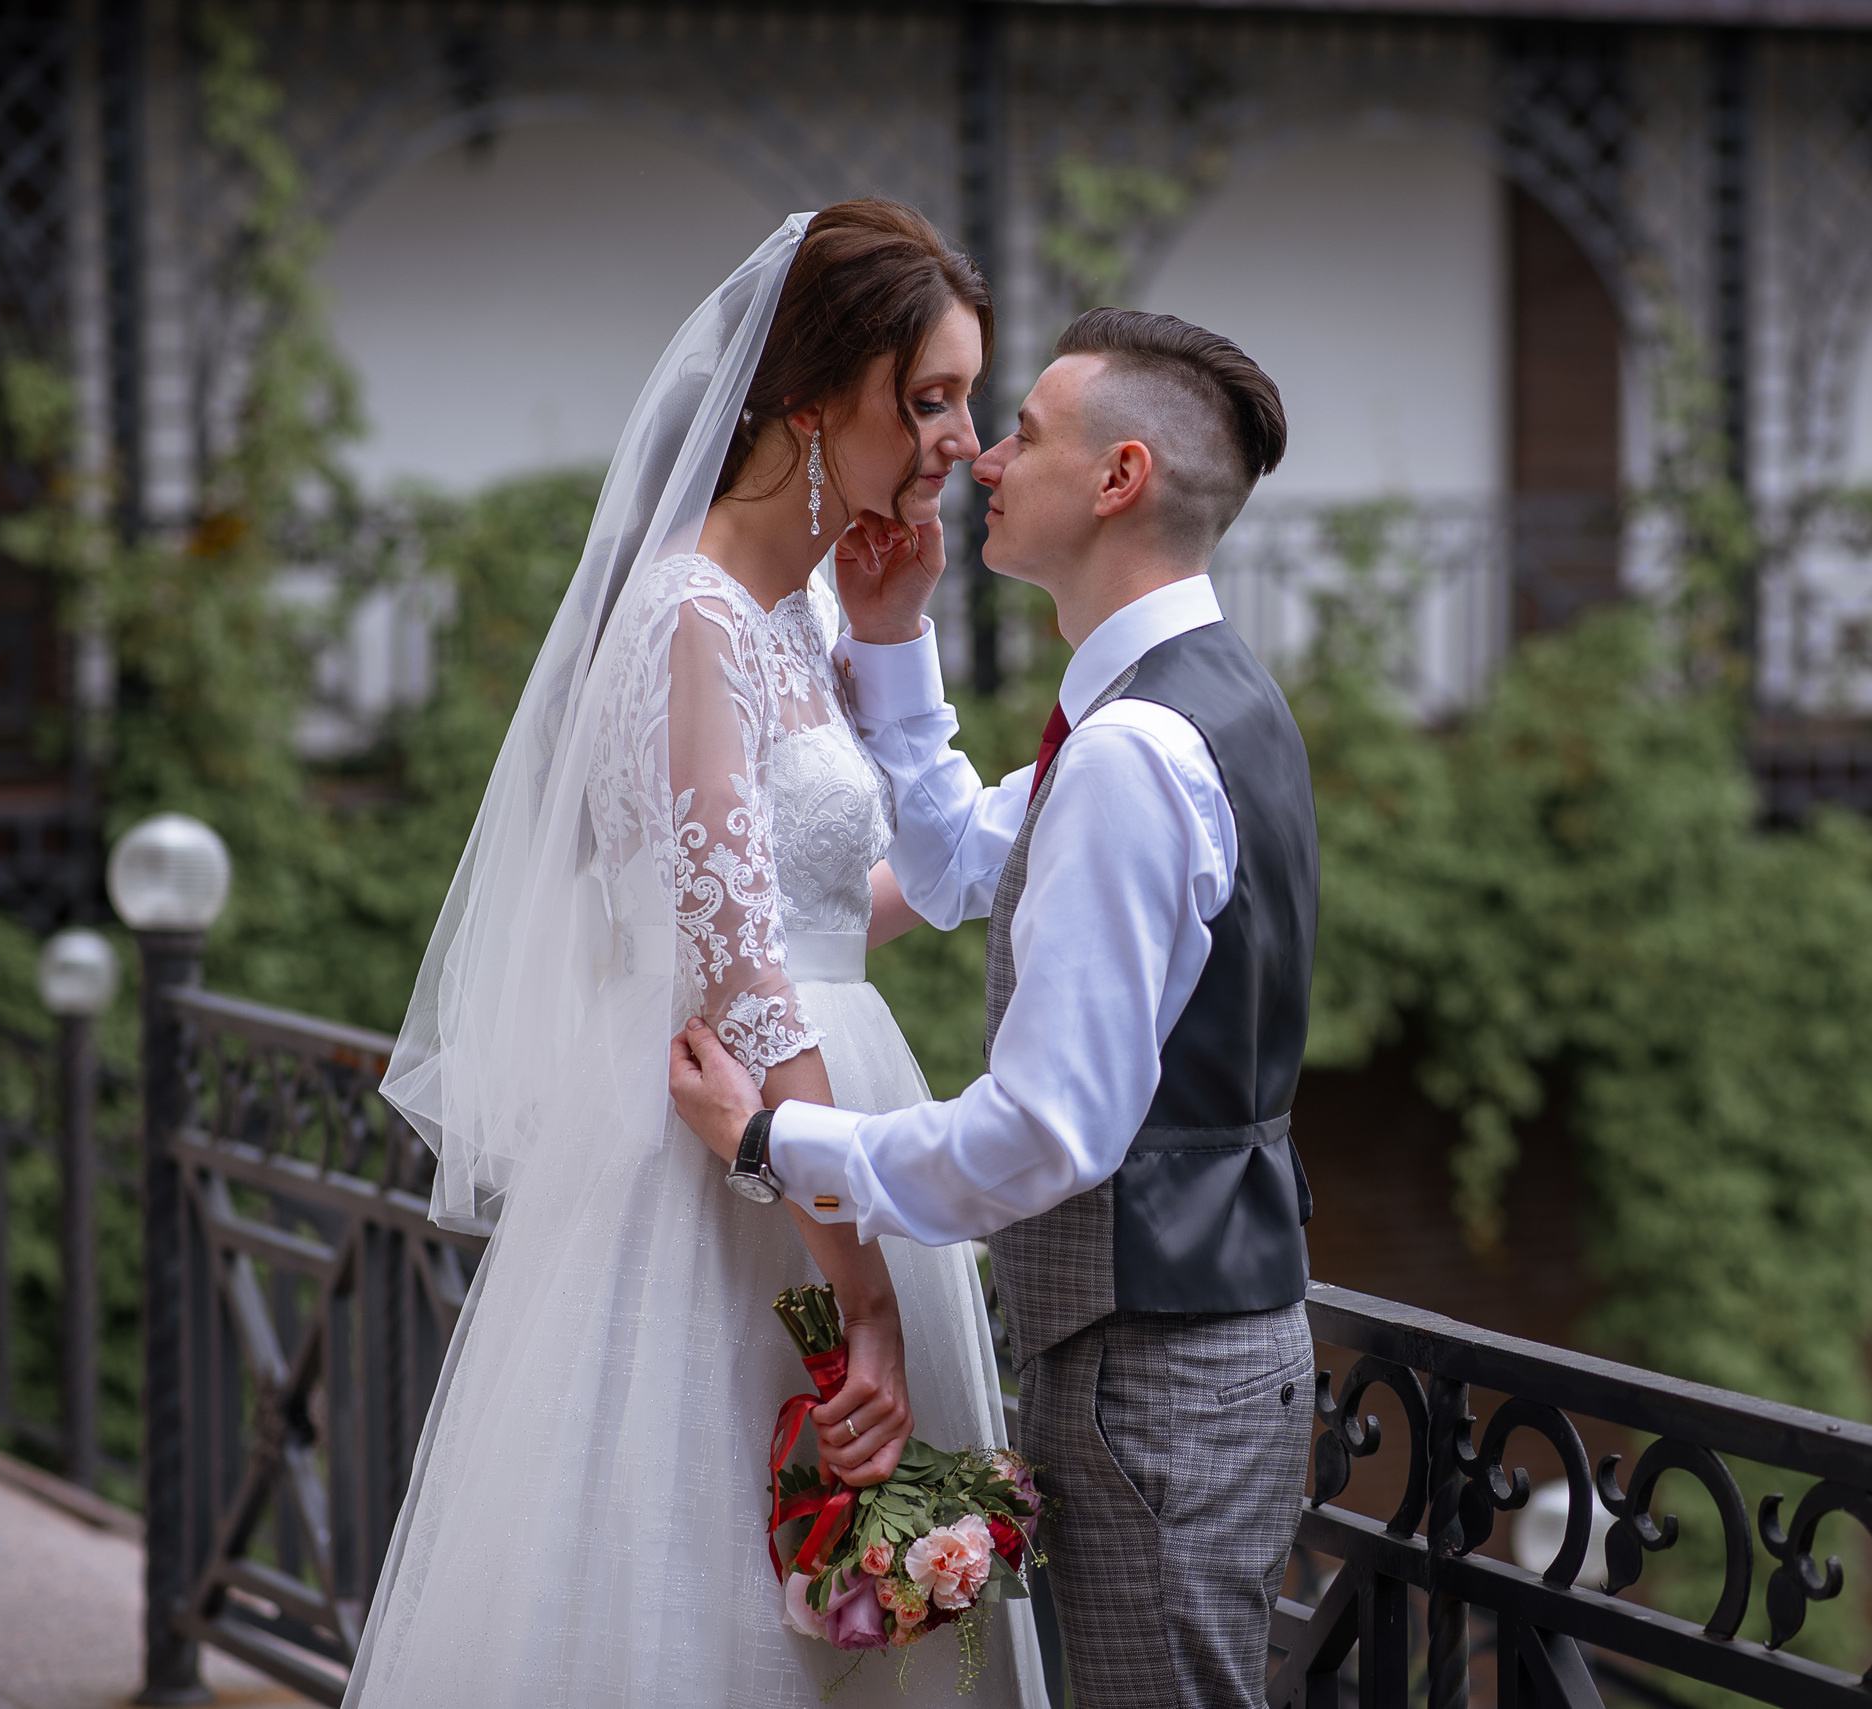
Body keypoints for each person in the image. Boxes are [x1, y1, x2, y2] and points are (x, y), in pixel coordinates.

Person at [349, 202, 1042, 1707]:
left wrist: (1023, 799)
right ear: (810, 399)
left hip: (811, 1124)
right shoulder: (687, 619)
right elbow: (740, 969)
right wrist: (860, 1293)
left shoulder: (785, 611)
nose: (962, 441)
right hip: (741, 1165)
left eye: (968, 399)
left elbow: (814, 902)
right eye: (927, 396)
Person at [672, 307, 1315, 1709]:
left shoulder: (1136, 751)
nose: (980, 458)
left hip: (1160, 1376)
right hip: (1204, 1345)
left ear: (1119, 477)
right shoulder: (1194, 704)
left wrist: (780, 1143)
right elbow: (969, 861)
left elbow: (1046, 1131)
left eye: (1021, 429)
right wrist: (896, 641)